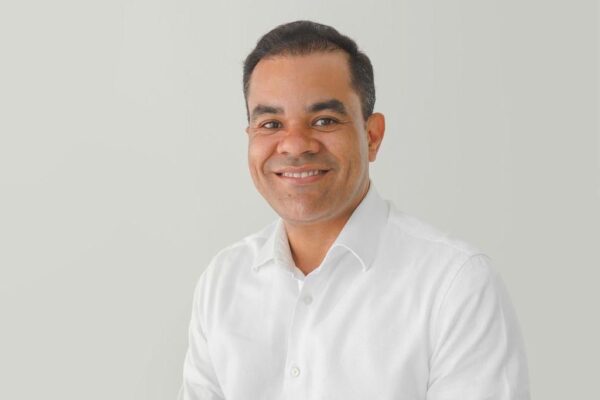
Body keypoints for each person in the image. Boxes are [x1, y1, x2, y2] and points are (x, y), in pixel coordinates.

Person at [179, 20, 530, 400]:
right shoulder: (223, 280)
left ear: (372, 136)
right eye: (271, 123)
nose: (295, 144)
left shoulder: (454, 284)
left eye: (324, 121)